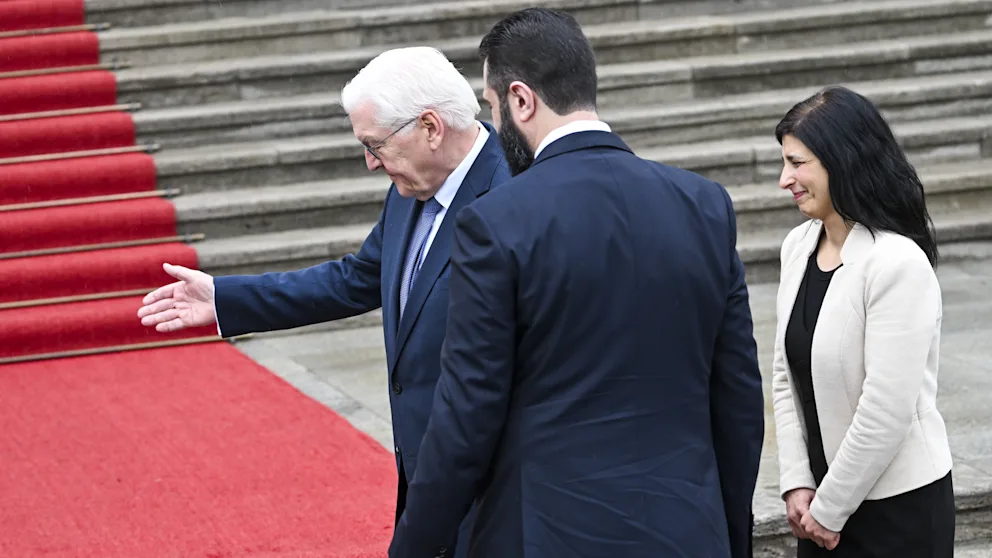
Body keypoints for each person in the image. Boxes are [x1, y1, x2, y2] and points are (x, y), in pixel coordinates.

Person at [388, 8, 765, 558]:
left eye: (492, 109)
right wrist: (729, 536)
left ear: (522, 100)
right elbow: (737, 399)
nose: (494, 129)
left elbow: (466, 418)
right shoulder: (704, 205)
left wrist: (413, 548)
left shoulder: (495, 221)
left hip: (545, 533)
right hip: (687, 530)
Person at [136, 46, 510, 558]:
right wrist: (226, 298)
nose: (369, 162)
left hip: (497, 491)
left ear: (430, 126)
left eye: (374, 144)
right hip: (425, 476)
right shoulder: (409, 188)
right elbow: (355, 279)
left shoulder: (516, 190)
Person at [770, 86, 954, 557]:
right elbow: (785, 376)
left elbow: (885, 410)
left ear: (842, 161)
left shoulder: (896, 262)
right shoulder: (798, 246)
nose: (783, 179)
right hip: (818, 507)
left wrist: (831, 509)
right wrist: (796, 482)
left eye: (797, 162)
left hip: (896, 511)